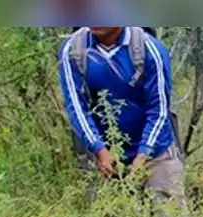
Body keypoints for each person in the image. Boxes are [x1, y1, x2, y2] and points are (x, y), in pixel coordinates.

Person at [57, 27, 185, 206]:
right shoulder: (73, 50)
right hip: (103, 155)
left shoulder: (149, 49)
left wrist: (144, 154)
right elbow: (77, 108)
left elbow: (159, 109)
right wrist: (99, 149)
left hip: (156, 152)